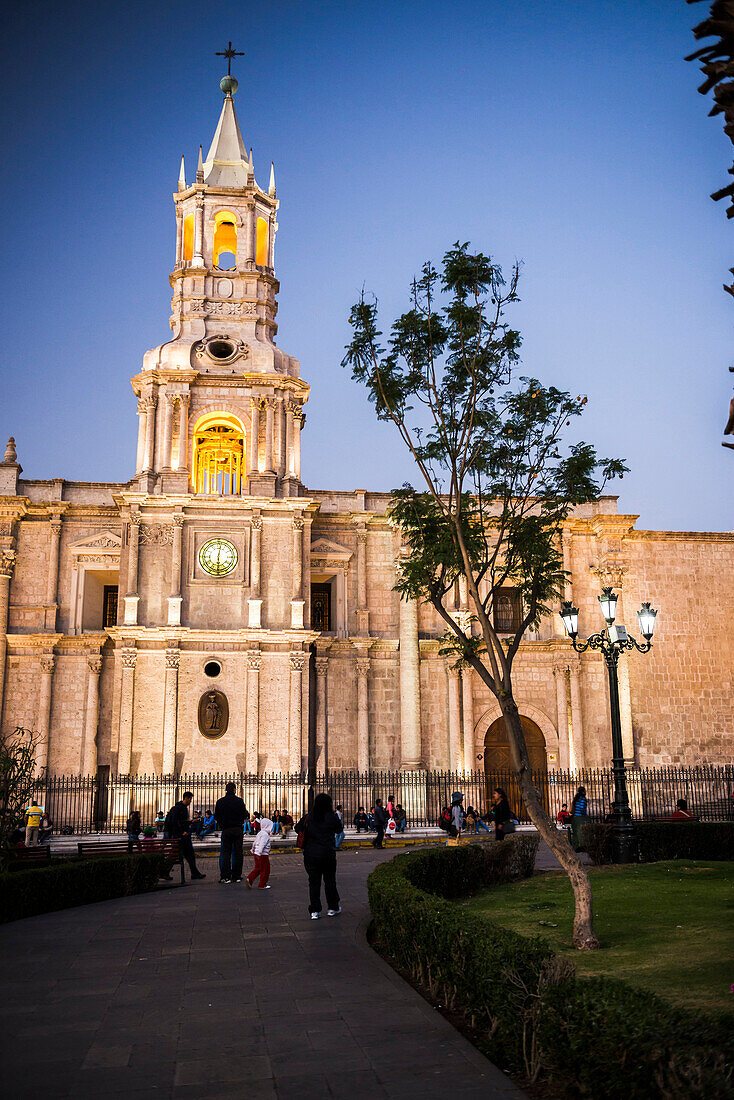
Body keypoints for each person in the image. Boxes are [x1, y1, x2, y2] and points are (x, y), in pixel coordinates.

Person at [295, 793, 341, 919]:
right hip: (327, 854)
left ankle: (315, 911)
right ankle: (332, 907)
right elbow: (339, 829)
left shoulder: (309, 817)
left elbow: (297, 828)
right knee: (330, 881)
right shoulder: (331, 817)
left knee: (314, 883)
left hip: (311, 855)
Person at [164, 793, 206, 879]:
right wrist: (181, 832)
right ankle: (165, 872)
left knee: (187, 854)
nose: (190, 801)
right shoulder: (178, 809)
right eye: (190, 799)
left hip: (182, 835)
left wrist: (191, 822)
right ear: (186, 798)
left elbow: (181, 822)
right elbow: (174, 822)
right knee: (179, 854)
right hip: (180, 836)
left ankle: (194, 873)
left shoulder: (181, 808)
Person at [215, 782, 247, 883]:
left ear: (226, 790)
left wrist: (222, 824)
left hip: (226, 829)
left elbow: (217, 816)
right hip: (237, 829)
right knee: (238, 853)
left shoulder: (220, 802)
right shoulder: (239, 801)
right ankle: (237, 876)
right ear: (234, 789)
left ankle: (226, 876)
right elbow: (245, 814)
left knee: (226, 853)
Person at [247, 815, 273, 889]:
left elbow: (255, 843)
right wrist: (259, 852)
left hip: (257, 853)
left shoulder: (260, 833)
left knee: (258, 868)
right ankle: (262, 884)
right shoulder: (265, 835)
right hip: (262, 854)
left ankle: (250, 879)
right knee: (265, 869)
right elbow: (262, 844)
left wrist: (252, 850)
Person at [570, 785, 588, 849]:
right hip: (580, 818)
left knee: (576, 833)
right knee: (582, 832)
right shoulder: (582, 799)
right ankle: (581, 846)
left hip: (575, 818)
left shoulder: (576, 798)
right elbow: (582, 808)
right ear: (583, 792)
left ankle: (576, 846)